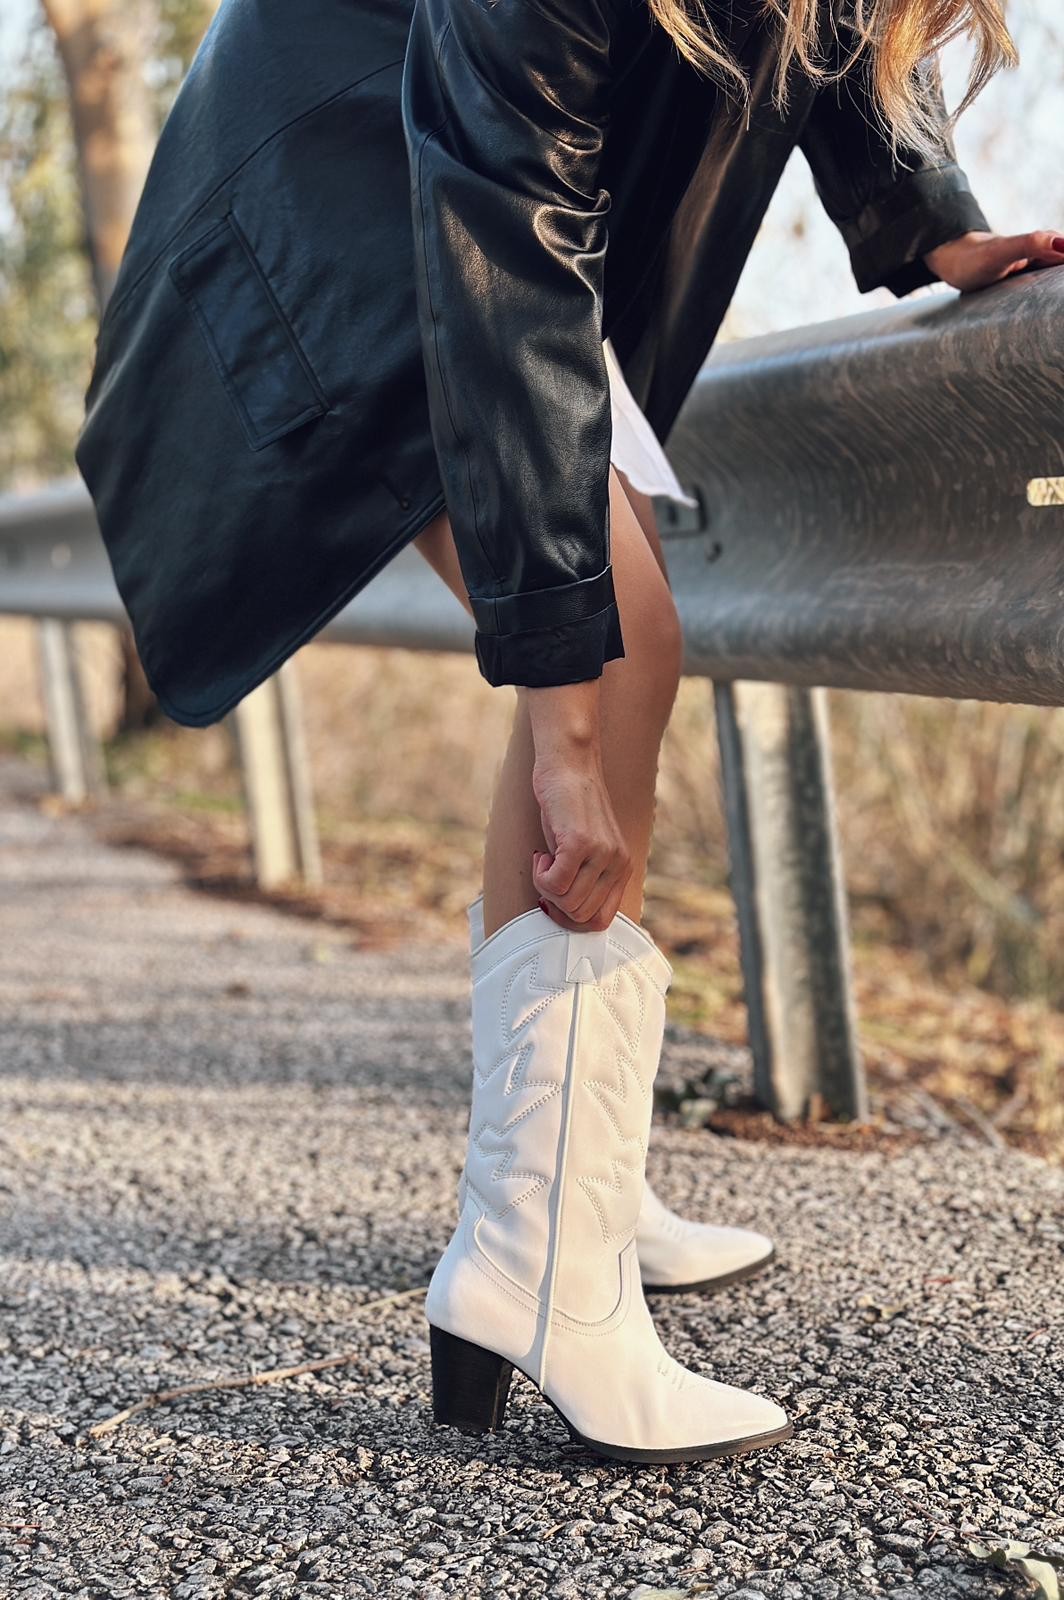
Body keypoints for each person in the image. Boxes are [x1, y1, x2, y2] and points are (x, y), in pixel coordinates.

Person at [73, 0, 1063, 1464]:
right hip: (346, 193)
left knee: (614, 650)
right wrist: (560, 729)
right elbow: (501, 229)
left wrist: (932, 228)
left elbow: (825, 28)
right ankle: (537, 1262)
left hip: (473, 197)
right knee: (614, 640)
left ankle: (556, 1195)